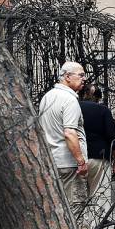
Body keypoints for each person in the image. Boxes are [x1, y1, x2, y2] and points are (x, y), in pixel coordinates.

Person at [38, 61, 89, 214]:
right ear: (67, 76)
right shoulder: (69, 100)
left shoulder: (48, 97)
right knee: (74, 208)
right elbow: (69, 133)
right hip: (69, 164)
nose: (84, 79)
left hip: (51, 161)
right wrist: (80, 161)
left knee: (56, 209)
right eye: (80, 75)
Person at [79, 84, 115, 202]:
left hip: (77, 157)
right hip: (99, 157)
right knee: (100, 197)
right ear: (99, 97)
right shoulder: (103, 110)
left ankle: (78, 220)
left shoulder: (73, 107)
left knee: (78, 198)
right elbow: (112, 136)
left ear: (82, 94)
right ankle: (98, 220)